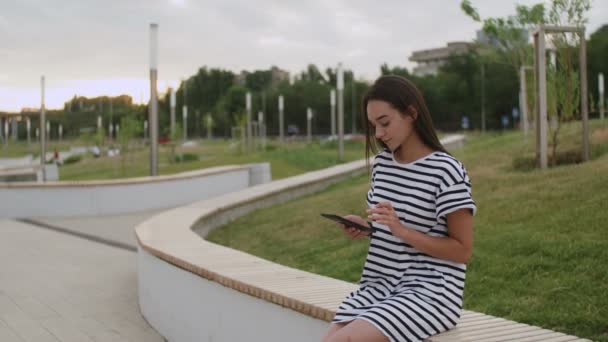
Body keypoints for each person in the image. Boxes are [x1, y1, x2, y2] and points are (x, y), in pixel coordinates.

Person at [322, 75, 476, 342]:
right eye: (373, 126)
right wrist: (366, 227)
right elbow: (389, 227)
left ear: (411, 113)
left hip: (431, 293)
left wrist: (402, 231)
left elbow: (462, 250)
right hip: (381, 286)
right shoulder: (383, 164)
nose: (379, 134)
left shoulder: (447, 171)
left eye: (384, 123)